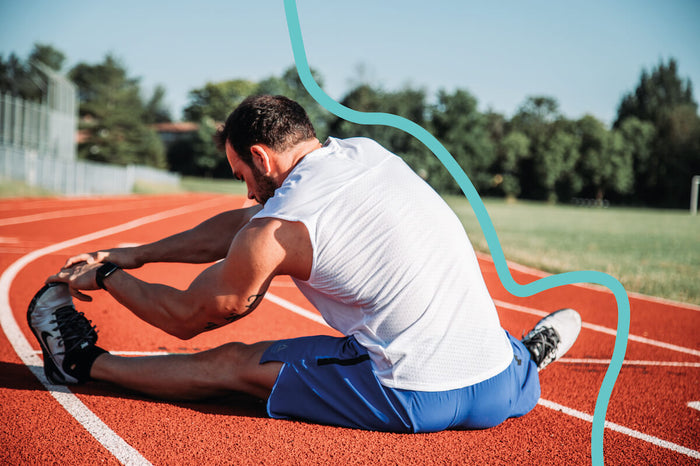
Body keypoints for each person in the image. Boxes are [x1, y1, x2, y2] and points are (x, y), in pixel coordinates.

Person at [28, 94, 581, 432]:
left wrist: (107, 274)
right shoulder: (366, 154)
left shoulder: (275, 229)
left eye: (241, 175)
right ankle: (526, 359)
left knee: (233, 365)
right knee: (459, 314)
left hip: (412, 394)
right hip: (497, 388)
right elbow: (247, 225)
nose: (245, 192)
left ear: (262, 158)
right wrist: (139, 253)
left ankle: (81, 364)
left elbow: (188, 315)